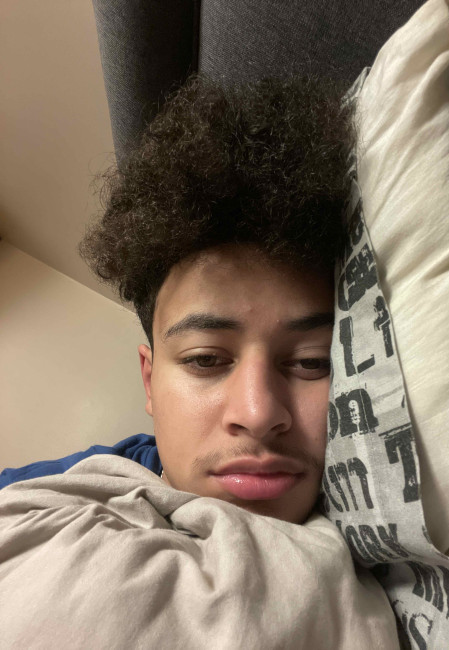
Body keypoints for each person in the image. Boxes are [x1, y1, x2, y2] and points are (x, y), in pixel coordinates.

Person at [78, 72, 353, 525]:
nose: (258, 414)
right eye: (205, 359)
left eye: (313, 362)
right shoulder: (46, 496)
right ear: (149, 381)